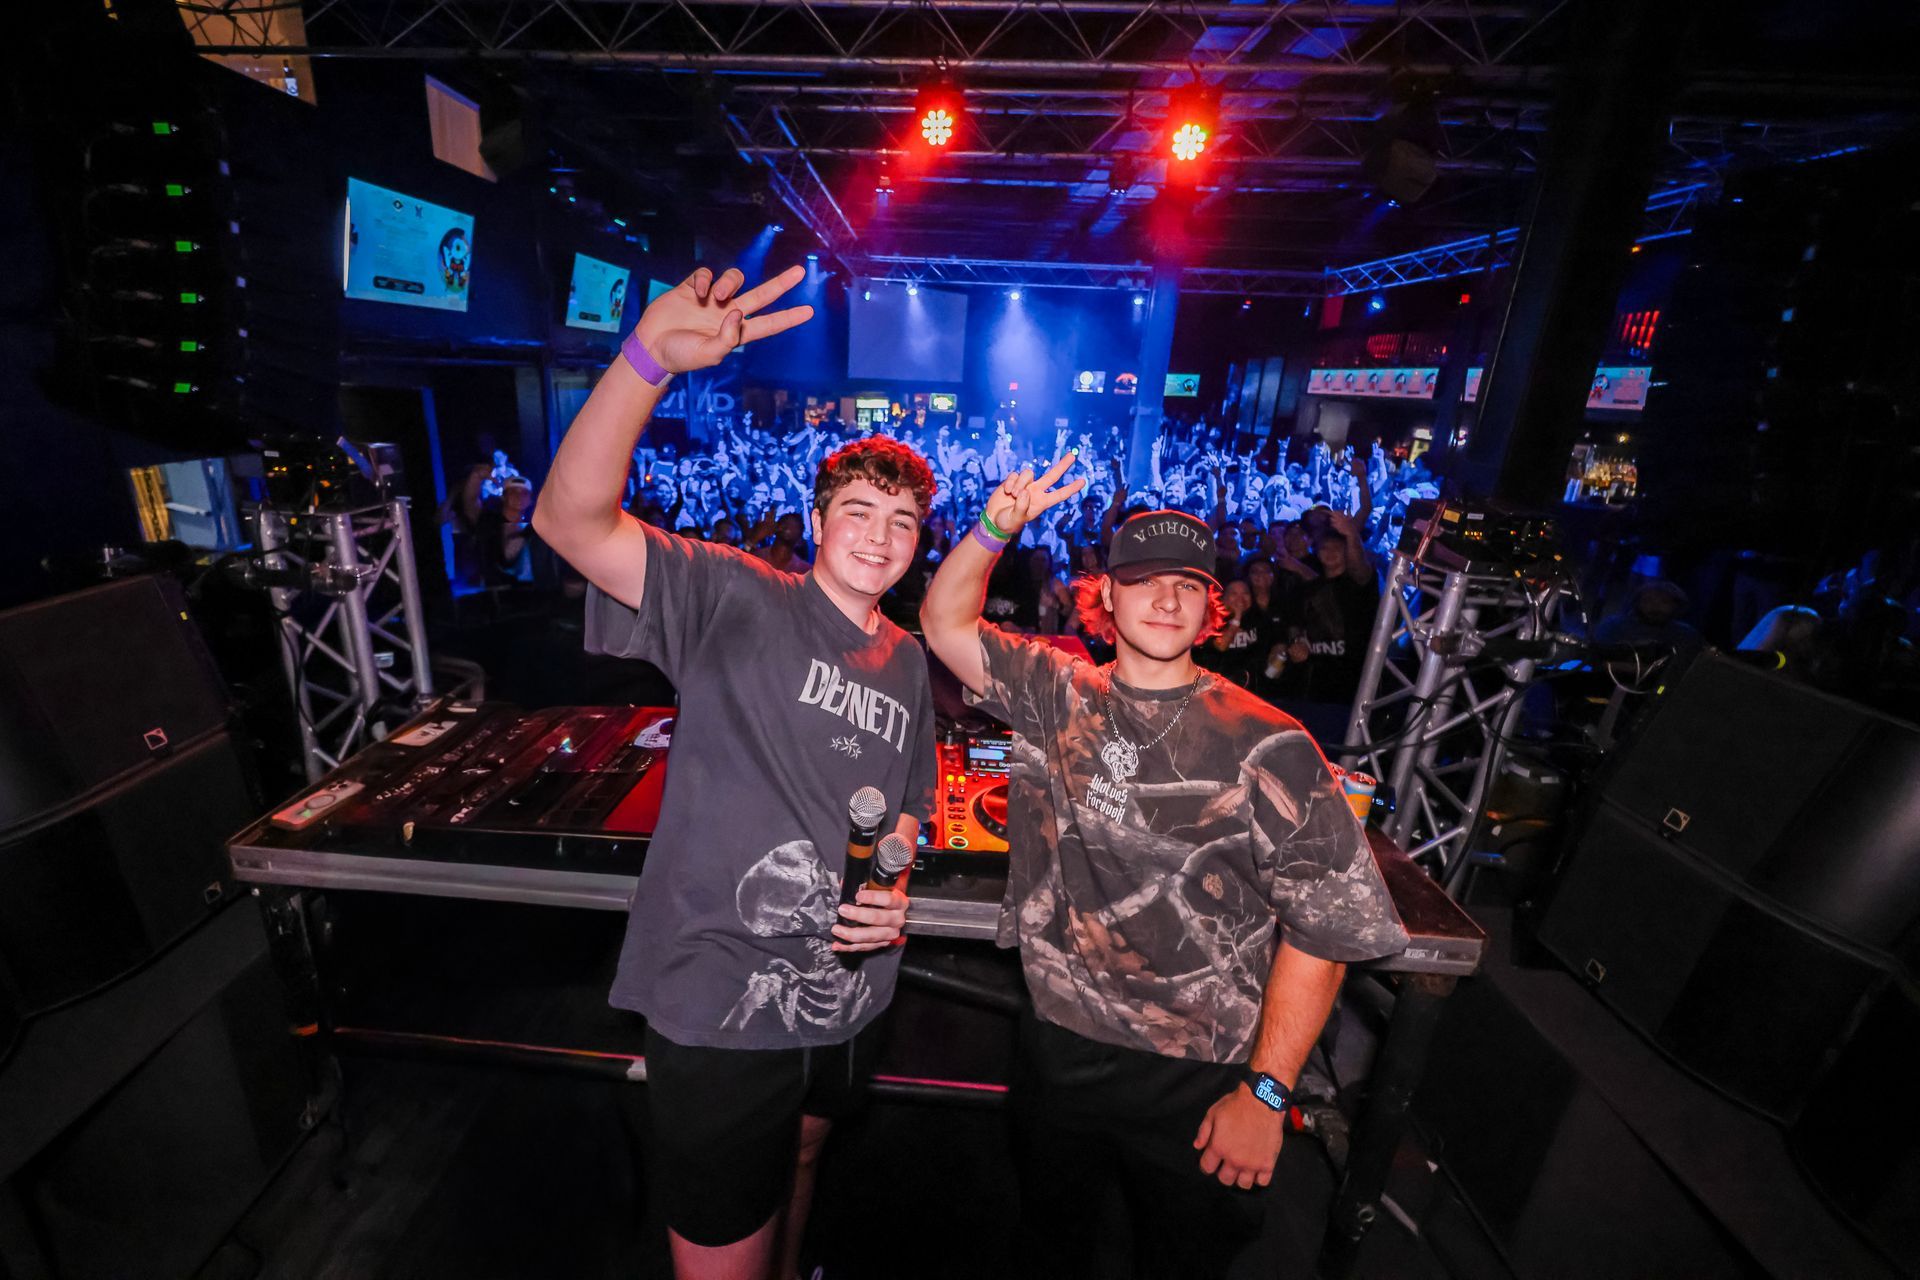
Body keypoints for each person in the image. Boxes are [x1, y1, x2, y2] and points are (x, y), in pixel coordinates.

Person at [533, 264, 937, 1280]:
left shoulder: (906, 658)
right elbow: (569, 521)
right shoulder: (734, 596)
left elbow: (908, 803)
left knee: (803, 1153)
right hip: (722, 1000)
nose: (879, 536)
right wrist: (642, 363)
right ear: (817, 519)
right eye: (858, 510)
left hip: (848, 994)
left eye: (901, 522)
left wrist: (892, 884)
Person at [920, 463, 1409, 1279]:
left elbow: (1325, 928)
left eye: (1187, 584)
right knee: (1050, 1247)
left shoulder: (1269, 742)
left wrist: (1267, 1094)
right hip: (1061, 1048)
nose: (1166, 599)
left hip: (1202, 1072)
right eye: (1143, 581)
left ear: (1211, 606)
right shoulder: (1056, 693)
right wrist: (995, 528)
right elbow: (943, 622)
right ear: (1105, 598)